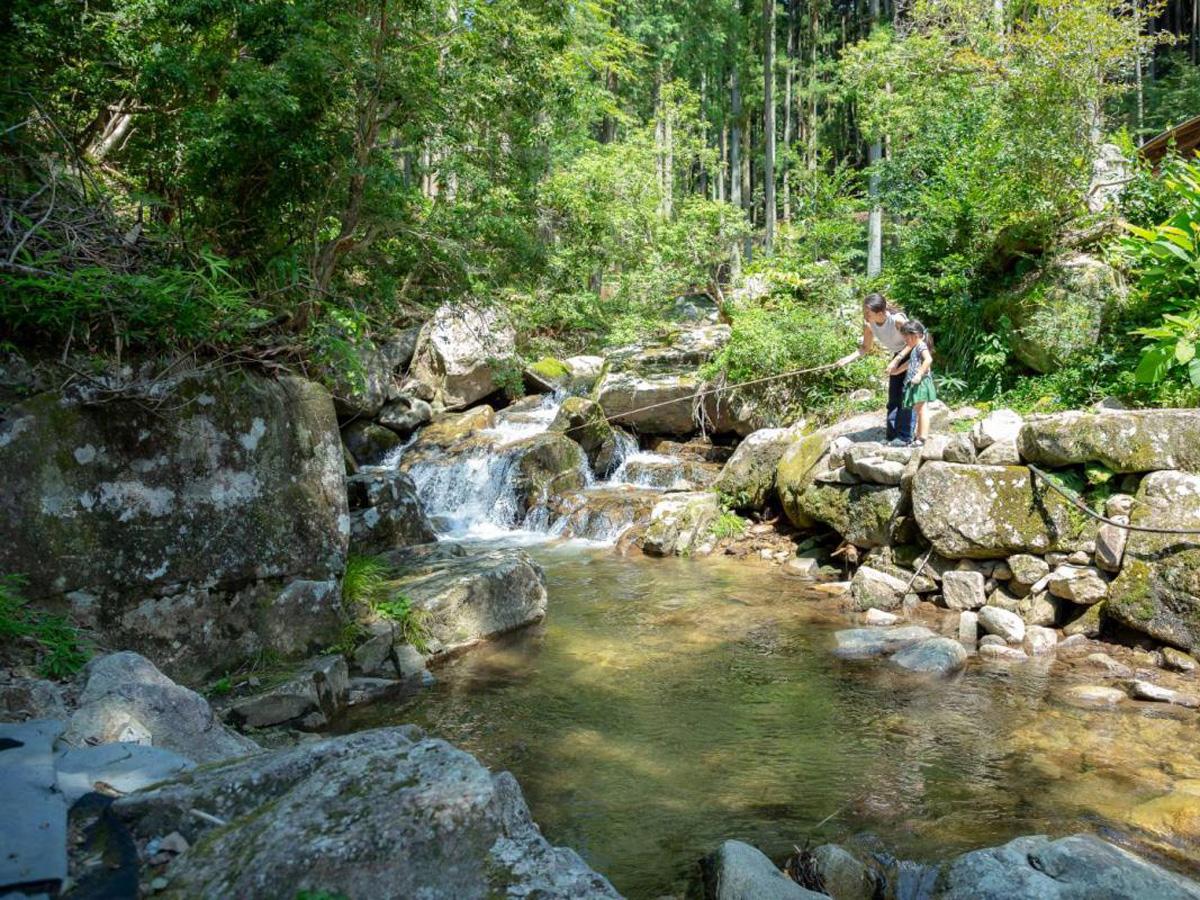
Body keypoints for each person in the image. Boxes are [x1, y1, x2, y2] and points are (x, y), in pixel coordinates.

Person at [836, 293, 913, 445]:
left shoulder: (897, 320)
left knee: (905, 396)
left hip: (913, 353)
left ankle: (904, 437)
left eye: (867, 313)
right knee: (893, 398)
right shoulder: (869, 325)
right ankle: (891, 436)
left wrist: (897, 360)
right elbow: (865, 348)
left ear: (880, 313)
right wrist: (846, 359)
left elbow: (914, 342)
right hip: (899, 354)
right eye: (864, 312)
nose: (865, 315)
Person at [898, 319, 936, 447]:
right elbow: (910, 363)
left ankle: (923, 437)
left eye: (906, 338)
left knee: (921, 409)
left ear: (915, 334)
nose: (905, 341)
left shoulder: (921, 346)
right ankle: (918, 436)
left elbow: (928, 359)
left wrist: (919, 374)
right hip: (916, 382)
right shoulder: (916, 348)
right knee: (918, 408)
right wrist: (896, 371)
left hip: (921, 382)